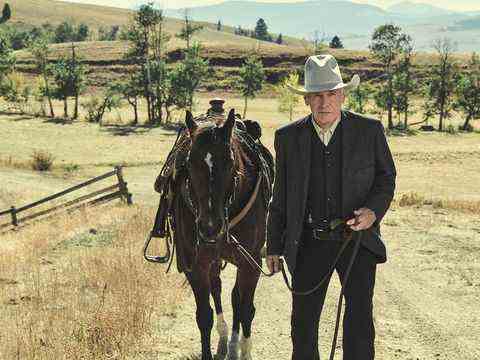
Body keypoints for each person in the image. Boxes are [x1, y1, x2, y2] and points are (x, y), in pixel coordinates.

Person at [266, 54, 396, 360]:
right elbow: (280, 195)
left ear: (342, 95)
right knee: (303, 324)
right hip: (310, 241)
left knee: (360, 320)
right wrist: (273, 244)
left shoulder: (370, 131)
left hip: (357, 241)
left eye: (332, 94)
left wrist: (373, 211)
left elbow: (386, 178)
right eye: (318, 96)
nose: (325, 102)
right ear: (307, 100)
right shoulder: (288, 138)